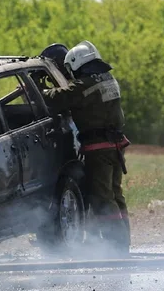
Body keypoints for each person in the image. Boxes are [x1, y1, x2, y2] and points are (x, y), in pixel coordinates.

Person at [40, 40, 131, 254]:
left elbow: (60, 98)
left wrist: (40, 90)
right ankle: (123, 242)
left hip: (100, 148)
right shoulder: (108, 78)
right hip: (115, 145)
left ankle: (114, 246)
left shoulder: (85, 85)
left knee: (102, 197)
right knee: (116, 195)